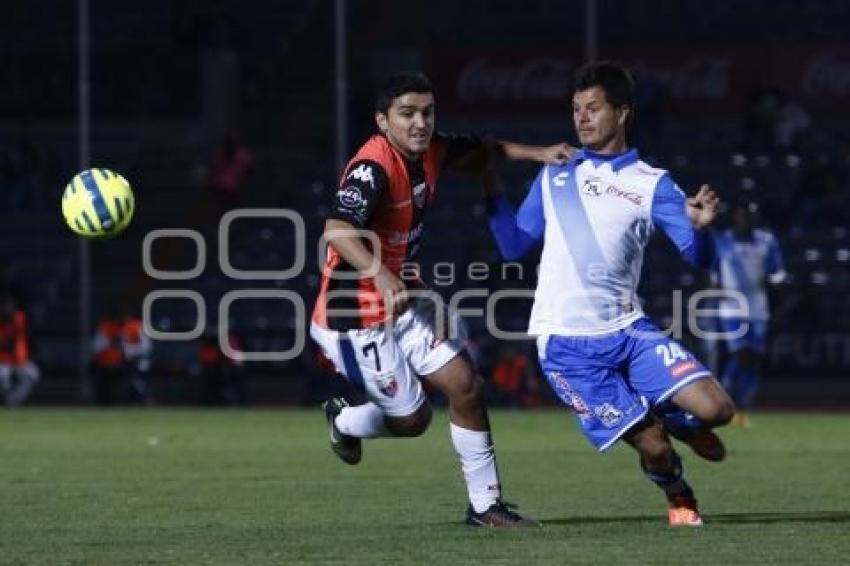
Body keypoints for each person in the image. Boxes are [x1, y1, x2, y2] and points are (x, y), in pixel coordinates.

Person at [311, 71, 572, 527]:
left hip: (406, 297)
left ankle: (485, 506)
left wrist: (540, 154)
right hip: (353, 314)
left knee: (466, 385)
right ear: (382, 121)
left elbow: (484, 151)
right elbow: (336, 230)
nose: (420, 123)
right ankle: (345, 422)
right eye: (407, 113)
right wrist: (380, 274)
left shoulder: (431, 149)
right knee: (412, 421)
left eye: (427, 112)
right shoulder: (371, 168)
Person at [484, 62, 735, 526]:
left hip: (626, 329)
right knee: (653, 446)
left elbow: (699, 259)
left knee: (717, 410)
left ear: (622, 113)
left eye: (593, 108)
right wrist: (489, 190)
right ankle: (678, 493)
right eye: (576, 109)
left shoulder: (652, 183)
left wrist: (702, 231)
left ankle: (680, 419)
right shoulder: (555, 174)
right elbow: (513, 246)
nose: (581, 118)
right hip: (565, 344)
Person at [712, 200, 787, 427]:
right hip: (732, 305)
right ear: (735, 217)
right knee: (741, 353)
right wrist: (714, 284)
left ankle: (742, 407)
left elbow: (778, 271)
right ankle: (722, 398)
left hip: (757, 306)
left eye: (750, 215)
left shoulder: (766, 241)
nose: (746, 219)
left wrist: (775, 283)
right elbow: (712, 268)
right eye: (742, 215)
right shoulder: (722, 240)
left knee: (753, 357)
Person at [92, 305, 153, 405]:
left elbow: (146, 347)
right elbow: (95, 346)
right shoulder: (107, 326)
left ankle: (140, 399)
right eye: (119, 316)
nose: (121, 318)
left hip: (132, 363)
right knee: (102, 378)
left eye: (124, 315)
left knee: (134, 378)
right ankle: (106, 401)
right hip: (108, 365)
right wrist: (111, 343)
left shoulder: (136, 326)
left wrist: (128, 349)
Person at [0, 295, 40, 406]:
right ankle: (3, 400)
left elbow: (27, 336)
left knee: (32, 375)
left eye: (9, 306)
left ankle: (11, 402)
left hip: (20, 361)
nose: (7, 308)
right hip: (3, 361)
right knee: (3, 380)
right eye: (4, 306)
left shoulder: (19, 318)